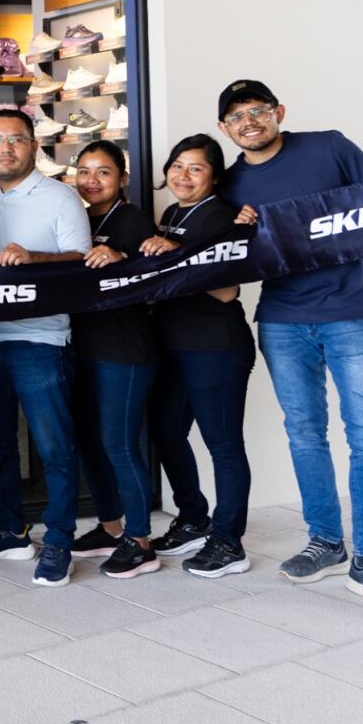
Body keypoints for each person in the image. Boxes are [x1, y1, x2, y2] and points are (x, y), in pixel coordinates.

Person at [218, 81, 363, 612]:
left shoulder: (328, 146)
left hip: (353, 314)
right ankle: (326, 541)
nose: (249, 121)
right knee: (305, 434)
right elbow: (228, 259)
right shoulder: (230, 184)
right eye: (236, 116)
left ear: (278, 112)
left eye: (257, 110)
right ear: (224, 128)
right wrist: (239, 230)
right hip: (282, 321)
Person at [0, 108, 90, 588]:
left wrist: (34, 258)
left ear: (34, 146)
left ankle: (59, 540)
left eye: (16, 139)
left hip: (40, 339)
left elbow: (81, 261)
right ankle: (10, 529)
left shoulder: (61, 197)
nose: (6, 148)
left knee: (54, 445)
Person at [140, 134, 256, 579]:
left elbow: (226, 290)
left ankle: (229, 542)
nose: (183, 175)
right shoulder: (173, 213)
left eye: (196, 168)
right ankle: (193, 519)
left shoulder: (222, 215)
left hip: (216, 346)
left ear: (214, 176)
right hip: (175, 345)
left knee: (223, 445)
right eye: (177, 166)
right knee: (166, 431)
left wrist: (178, 255)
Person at [72, 141, 163, 579]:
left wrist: (123, 257)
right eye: (84, 171)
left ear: (123, 178)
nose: (92, 180)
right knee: (90, 442)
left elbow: (154, 275)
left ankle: (140, 541)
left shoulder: (133, 220)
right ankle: (110, 527)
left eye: (103, 172)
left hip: (125, 350)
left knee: (119, 444)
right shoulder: (77, 219)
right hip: (84, 346)